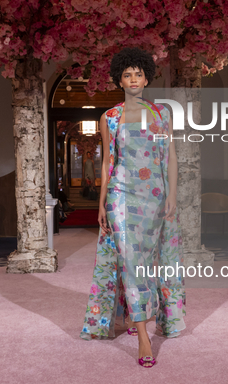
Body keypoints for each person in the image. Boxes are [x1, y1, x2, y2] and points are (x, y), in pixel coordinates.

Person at [80, 48, 185, 368]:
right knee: (129, 261)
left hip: (154, 197)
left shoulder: (162, 114)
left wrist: (172, 195)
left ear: (147, 77)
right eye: (127, 74)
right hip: (121, 197)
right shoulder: (109, 118)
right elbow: (107, 164)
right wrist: (101, 204)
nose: (133, 79)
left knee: (147, 261)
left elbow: (171, 157)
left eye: (138, 73)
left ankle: (132, 314)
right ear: (119, 80)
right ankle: (142, 335)